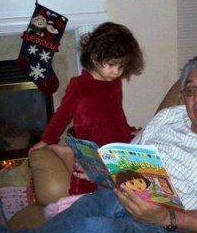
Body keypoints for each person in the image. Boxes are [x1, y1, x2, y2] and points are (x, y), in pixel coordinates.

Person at [0, 55, 197, 233]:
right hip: (116, 196)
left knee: (92, 232)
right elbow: (130, 156)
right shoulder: (169, 117)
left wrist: (165, 217)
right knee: (72, 222)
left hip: (164, 225)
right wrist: (104, 170)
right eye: (190, 90)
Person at [29, 21, 145, 195]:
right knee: (87, 187)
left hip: (116, 141)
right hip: (92, 146)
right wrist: (47, 139)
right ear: (95, 56)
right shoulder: (79, 85)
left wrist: (128, 130)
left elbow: (116, 112)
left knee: (132, 181)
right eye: (112, 65)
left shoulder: (114, 82)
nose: (117, 72)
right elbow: (63, 114)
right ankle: (65, 152)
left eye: (121, 67)